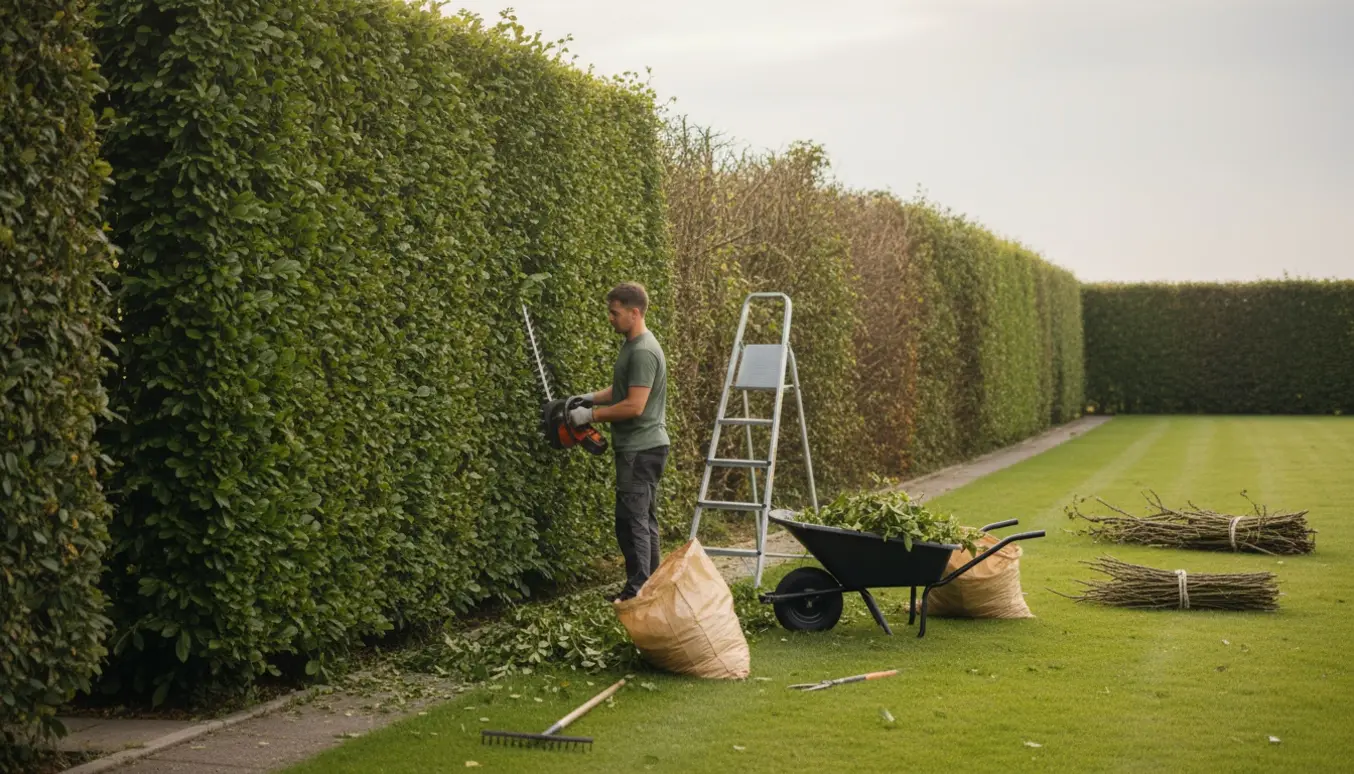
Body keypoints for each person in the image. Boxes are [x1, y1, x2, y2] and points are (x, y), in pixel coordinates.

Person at [567, 282, 669, 602]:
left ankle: (637, 591)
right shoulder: (634, 345)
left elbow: (634, 405)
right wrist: (585, 399)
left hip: (639, 448)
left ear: (634, 312)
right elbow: (621, 390)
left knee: (632, 522)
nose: (610, 318)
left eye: (615, 313)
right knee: (643, 520)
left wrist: (590, 417)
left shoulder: (642, 351)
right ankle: (649, 588)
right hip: (643, 447)